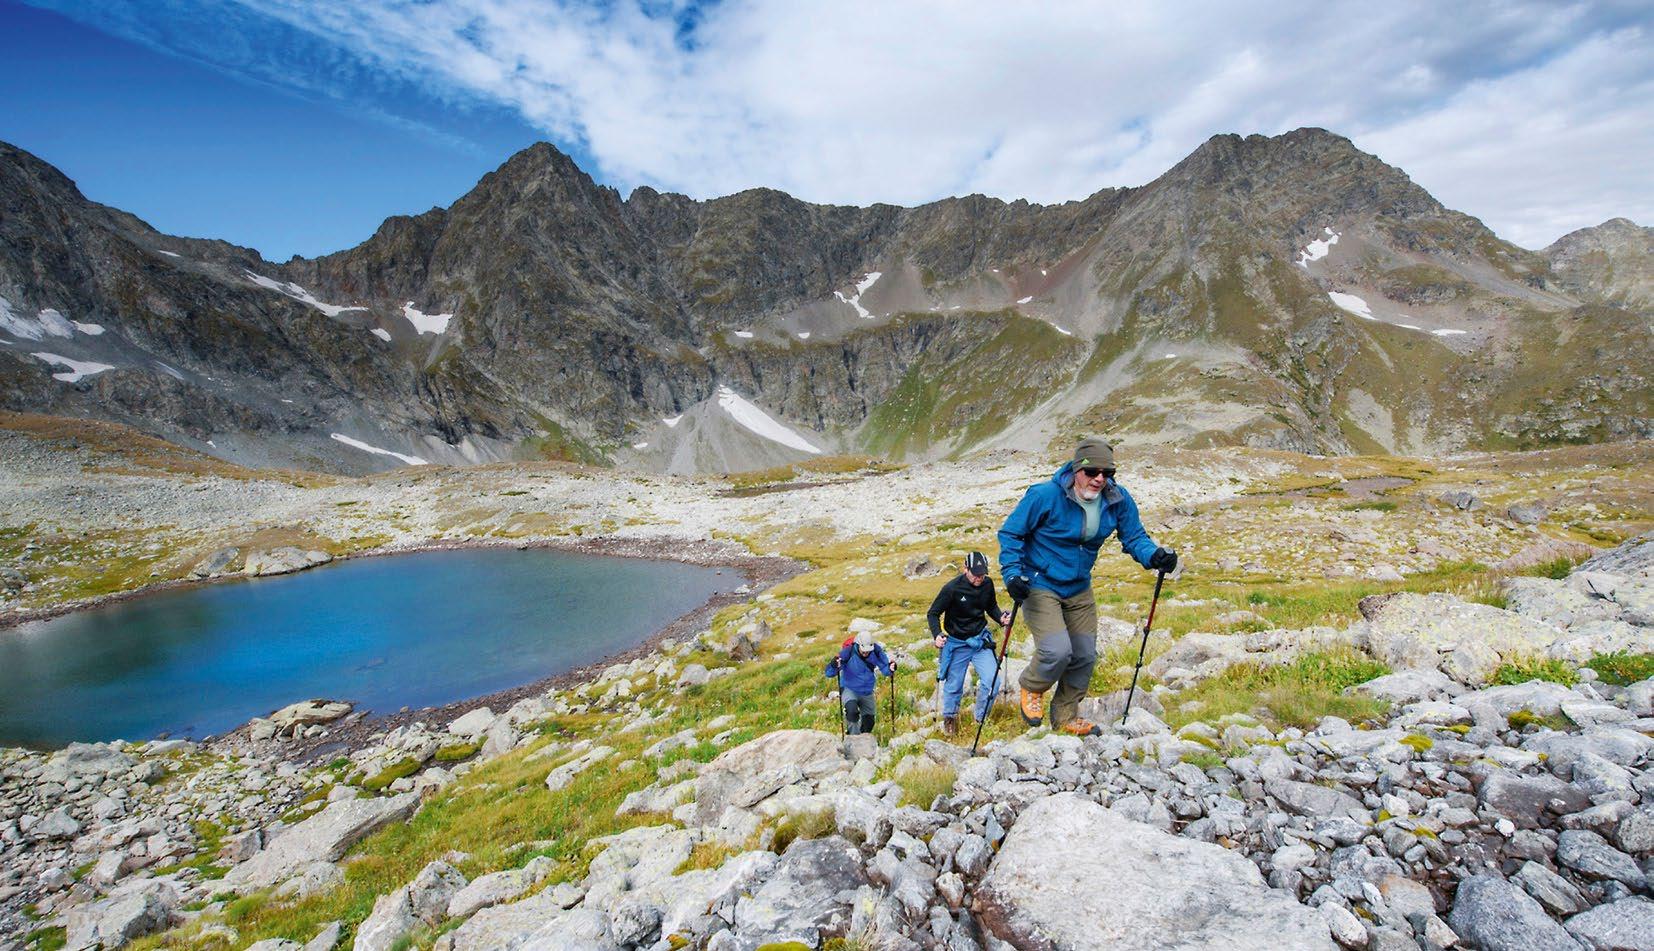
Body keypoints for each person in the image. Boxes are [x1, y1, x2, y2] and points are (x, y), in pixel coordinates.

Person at [999, 437, 1176, 736]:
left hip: (1079, 586)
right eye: (1092, 471)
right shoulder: (1044, 495)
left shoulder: (1117, 499)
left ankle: (1065, 717)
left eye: (1107, 473)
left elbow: (1134, 537)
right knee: (1056, 651)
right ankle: (1032, 686)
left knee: (1084, 656)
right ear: (1076, 469)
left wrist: (1154, 556)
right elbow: (1011, 534)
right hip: (1040, 583)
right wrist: (1012, 574)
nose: (1099, 479)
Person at [927, 551, 1011, 736]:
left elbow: (991, 606)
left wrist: (1000, 618)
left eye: (982, 574)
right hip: (957, 642)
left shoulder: (987, 584)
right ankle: (950, 719)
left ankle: (980, 718)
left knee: (992, 681)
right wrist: (937, 635)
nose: (979, 578)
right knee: (954, 685)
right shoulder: (952, 589)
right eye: (975, 574)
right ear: (966, 569)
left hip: (980, 641)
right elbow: (933, 613)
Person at [824, 629, 895, 736]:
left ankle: (864, 739)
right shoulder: (848, 652)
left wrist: (890, 668)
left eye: (868, 651)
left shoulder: (876, 651)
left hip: (867, 691)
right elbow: (829, 673)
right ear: (858, 645)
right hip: (849, 688)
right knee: (852, 712)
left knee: (869, 723)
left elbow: (885, 669)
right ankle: (853, 738)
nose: (866, 653)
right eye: (864, 651)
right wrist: (833, 665)